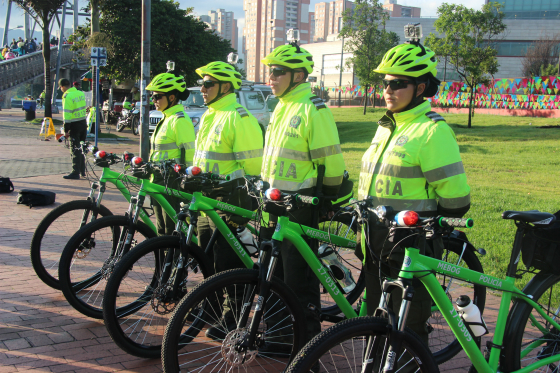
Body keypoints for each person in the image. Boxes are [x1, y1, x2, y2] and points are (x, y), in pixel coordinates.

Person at [357, 41, 471, 348]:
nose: (388, 90)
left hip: (410, 246)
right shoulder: (386, 126)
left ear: (421, 88)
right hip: (373, 239)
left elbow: (457, 201)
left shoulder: (432, 131)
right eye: (385, 83)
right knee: (376, 322)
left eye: (398, 84)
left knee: (406, 330)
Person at [260, 43, 346, 350]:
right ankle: (279, 334)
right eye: (270, 71)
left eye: (277, 72)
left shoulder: (312, 108)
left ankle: (305, 342)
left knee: (299, 278)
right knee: (271, 271)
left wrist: (327, 200)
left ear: (298, 75)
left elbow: (332, 163)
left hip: (301, 204)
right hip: (272, 202)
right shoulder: (281, 107)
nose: (271, 77)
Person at [192, 61, 263, 340]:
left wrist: (242, 207)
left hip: (228, 202)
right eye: (203, 84)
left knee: (228, 262)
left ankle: (233, 317)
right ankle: (210, 309)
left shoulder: (238, 117)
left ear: (225, 86)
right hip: (206, 202)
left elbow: (252, 170)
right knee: (207, 259)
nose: (203, 89)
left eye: (208, 84)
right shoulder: (211, 114)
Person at [145, 72, 196, 236]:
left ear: (172, 97)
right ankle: (163, 260)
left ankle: (173, 261)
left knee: (171, 230)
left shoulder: (179, 120)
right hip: (158, 180)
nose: (154, 100)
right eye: (153, 97)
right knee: (161, 231)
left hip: (171, 182)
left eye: (158, 97)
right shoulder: (166, 118)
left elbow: (190, 153)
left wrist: (185, 180)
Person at [60, 78, 87, 179]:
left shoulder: (67, 96)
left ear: (62, 87)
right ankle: (82, 170)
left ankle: (75, 172)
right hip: (83, 123)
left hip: (74, 125)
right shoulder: (80, 93)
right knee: (81, 148)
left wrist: (66, 130)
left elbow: (67, 115)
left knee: (75, 149)